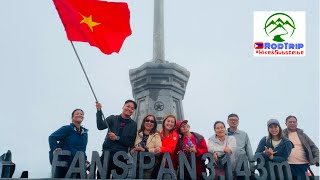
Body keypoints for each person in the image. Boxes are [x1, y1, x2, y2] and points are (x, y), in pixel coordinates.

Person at [96, 100, 137, 178]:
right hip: (106, 154)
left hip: (121, 157)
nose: (129, 109)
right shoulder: (112, 118)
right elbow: (100, 126)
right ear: (123, 106)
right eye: (128, 106)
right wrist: (99, 111)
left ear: (133, 111)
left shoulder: (133, 125)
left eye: (132, 108)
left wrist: (117, 138)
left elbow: (130, 142)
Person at [49, 109, 88, 178]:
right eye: (77, 114)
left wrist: (84, 159)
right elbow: (52, 137)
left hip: (77, 164)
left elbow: (83, 149)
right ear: (72, 118)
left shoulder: (84, 134)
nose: (80, 115)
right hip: (64, 162)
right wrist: (54, 148)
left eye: (81, 114)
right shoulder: (67, 129)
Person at [283, 115, 319, 180]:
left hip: (304, 165)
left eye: (294, 122)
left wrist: (316, 160)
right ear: (286, 123)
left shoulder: (303, 135)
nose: (292, 123)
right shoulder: (282, 135)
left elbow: (314, 148)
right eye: (290, 122)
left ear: (297, 123)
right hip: (287, 165)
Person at [130, 114, 161, 179]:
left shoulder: (156, 135)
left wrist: (145, 150)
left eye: (152, 121)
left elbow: (158, 150)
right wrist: (132, 150)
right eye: (147, 120)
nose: (149, 122)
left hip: (149, 164)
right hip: (135, 163)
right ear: (144, 122)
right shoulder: (137, 133)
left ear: (154, 124)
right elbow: (131, 147)